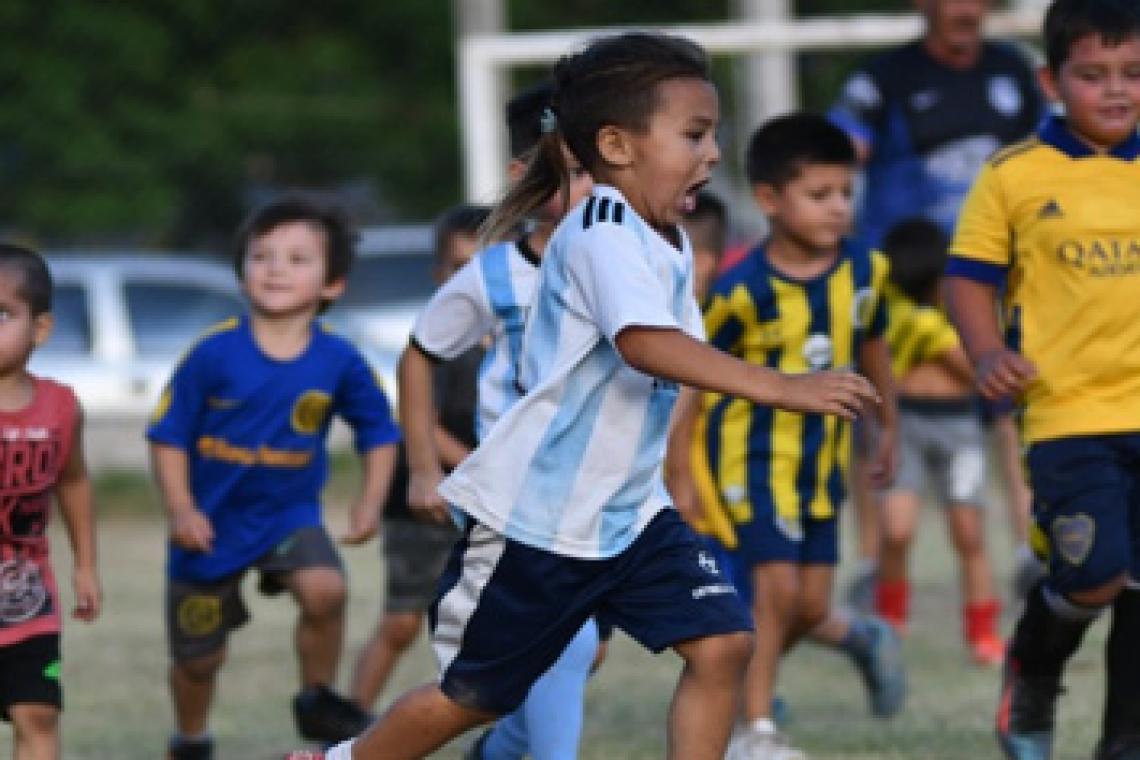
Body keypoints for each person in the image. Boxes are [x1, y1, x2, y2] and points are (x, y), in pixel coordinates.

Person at [290, 32, 879, 760]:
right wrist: (782, 387)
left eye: (715, 134)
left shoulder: (668, 238)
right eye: (694, 134)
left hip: (629, 516)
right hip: (539, 522)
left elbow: (675, 366)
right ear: (617, 144)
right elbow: (646, 344)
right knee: (472, 699)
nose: (714, 153)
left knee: (725, 643)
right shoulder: (601, 231)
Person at [943, 2, 1140, 757]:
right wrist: (989, 352)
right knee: (1093, 576)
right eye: (1094, 75)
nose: (1116, 90)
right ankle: (1030, 673)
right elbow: (968, 279)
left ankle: (1123, 740)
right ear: (1051, 80)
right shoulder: (1014, 175)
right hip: (1068, 413)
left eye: (1132, 74)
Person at [681, 113, 904, 760]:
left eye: (844, 193)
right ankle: (756, 730)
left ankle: (749, 687)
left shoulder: (867, 269)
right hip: (748, 462)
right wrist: (679, 470)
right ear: (771, 200)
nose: (838, 208)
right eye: (819, 194)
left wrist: (885, 424)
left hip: (823, 466)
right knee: (773, 589)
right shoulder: (740, 290)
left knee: (808, 605)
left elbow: (874, 345)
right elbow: (692, 374)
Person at [147, 196, 402, 760]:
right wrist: (181, 508)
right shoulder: (213, 353)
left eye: (296, 258)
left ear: (331, 283)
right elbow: (167, 435)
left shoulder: (339, 360)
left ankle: (315, 698)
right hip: (208, 527)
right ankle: (191, 738)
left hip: (288, 519)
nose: (276, 269)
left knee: (325, 588)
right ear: (241, 275)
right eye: (261, 257)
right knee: (199, 660)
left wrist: (370, 501)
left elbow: (380, 433)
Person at [829, 0, 1045, 609]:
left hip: (997, 274)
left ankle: (1030, 551)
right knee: (877, 402)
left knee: (1010, 406)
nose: (965, 8)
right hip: (905, 279)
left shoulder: (1017, 72)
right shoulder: (883, 79)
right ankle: (873, 564)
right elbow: (836, 156)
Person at [348, 204, 487, 710]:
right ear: (439, 276)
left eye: (486, 263)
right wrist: (476, 467)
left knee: (490, 621)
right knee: (403, 619)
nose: (473, 279)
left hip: (490, 503)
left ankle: (503, 729)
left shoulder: (519, 339)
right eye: (458, 267)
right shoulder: (440, 341)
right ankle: (346, 719)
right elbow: (419, 421)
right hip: (422, 502)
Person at [873, 217, 1004, 666]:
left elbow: (980, 371)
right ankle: (890, 621)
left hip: (958, 426)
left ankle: (983, 634)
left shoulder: (960, 304)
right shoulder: (886, 307)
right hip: (905, 421)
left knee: (969, 534)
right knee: (896, 529)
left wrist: (943, 343)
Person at [0, 244, 100, 760]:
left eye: (1, 314)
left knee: (37, 712)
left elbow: (74, 481)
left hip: (27, 600)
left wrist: (85, 565)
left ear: (39, 329)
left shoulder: (61, 407)